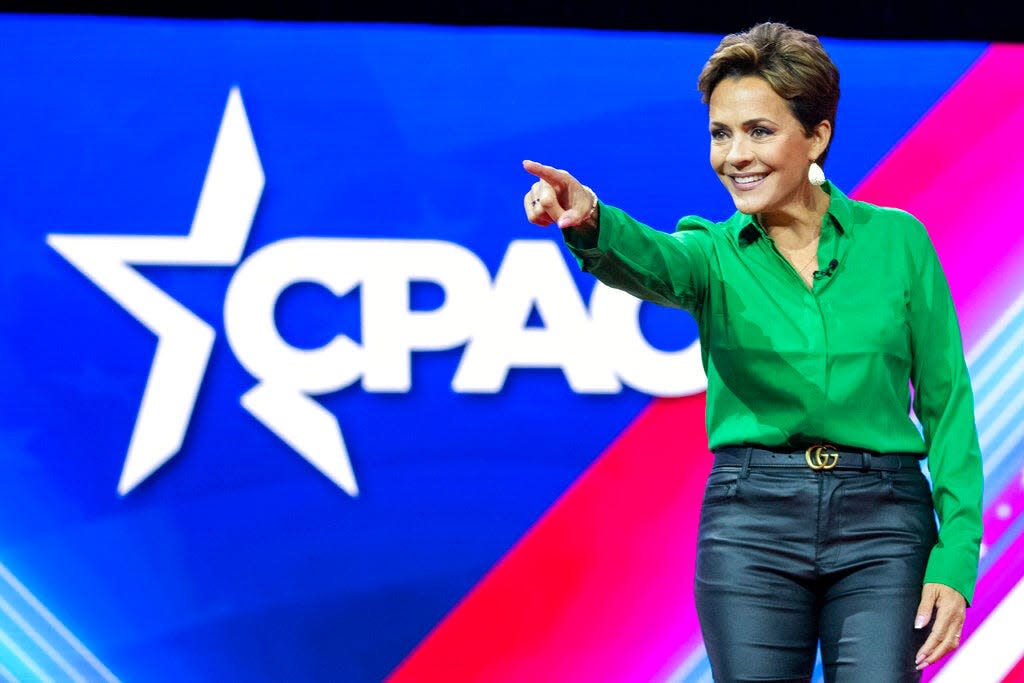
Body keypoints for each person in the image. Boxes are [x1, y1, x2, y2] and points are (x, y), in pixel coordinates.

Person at [521, 22, 983, 683]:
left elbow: (948, 407)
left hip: (884, 523)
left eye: (759, 131)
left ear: (817, 135)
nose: (735, 154)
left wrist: (956, 557)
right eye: (720, 133)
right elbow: (652, 259)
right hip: (753, 524)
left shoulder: (899, 242)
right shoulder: (709, 252)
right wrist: (590, 217)